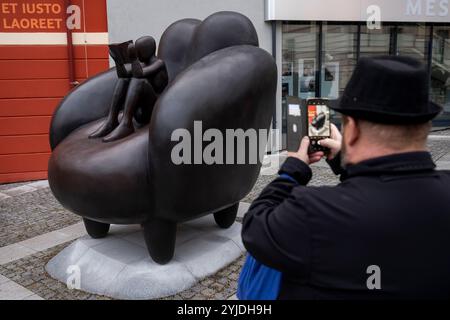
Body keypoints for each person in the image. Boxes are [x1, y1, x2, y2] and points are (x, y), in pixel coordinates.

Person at [240, 56, 450, 299]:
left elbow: (256, 227)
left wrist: (293, 169)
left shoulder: (313, 211)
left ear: (353, 129)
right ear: (425, 128)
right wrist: (347, 163)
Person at [90, 36, 168, 142]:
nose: (137, 53)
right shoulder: (142, 65)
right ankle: (111, 121)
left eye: (139, 50)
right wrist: (118, 61)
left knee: (140, 82)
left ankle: (126, 124)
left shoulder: (159, 63)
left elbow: (139, 74)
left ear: (147, 50)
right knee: (124, 80)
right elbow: (123, 74)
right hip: (140, 112)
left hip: (154, 111)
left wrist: (133, 59)